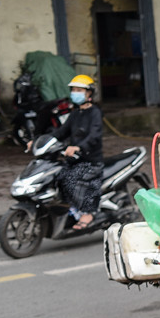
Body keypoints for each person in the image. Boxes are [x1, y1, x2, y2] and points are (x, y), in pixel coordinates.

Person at [29, 74, 103, 231]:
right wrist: (39, 141)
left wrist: (79, 147)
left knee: (71, 179)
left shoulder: (94, 113)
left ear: (89, 93)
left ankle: (89, 212)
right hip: (75, 159)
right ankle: (73, 210)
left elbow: (94, 135)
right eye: (73, 90)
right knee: (58, 177)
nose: (75, 93)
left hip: (91, 160)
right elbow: (61, 132)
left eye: (79, 90)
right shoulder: (75, 114)